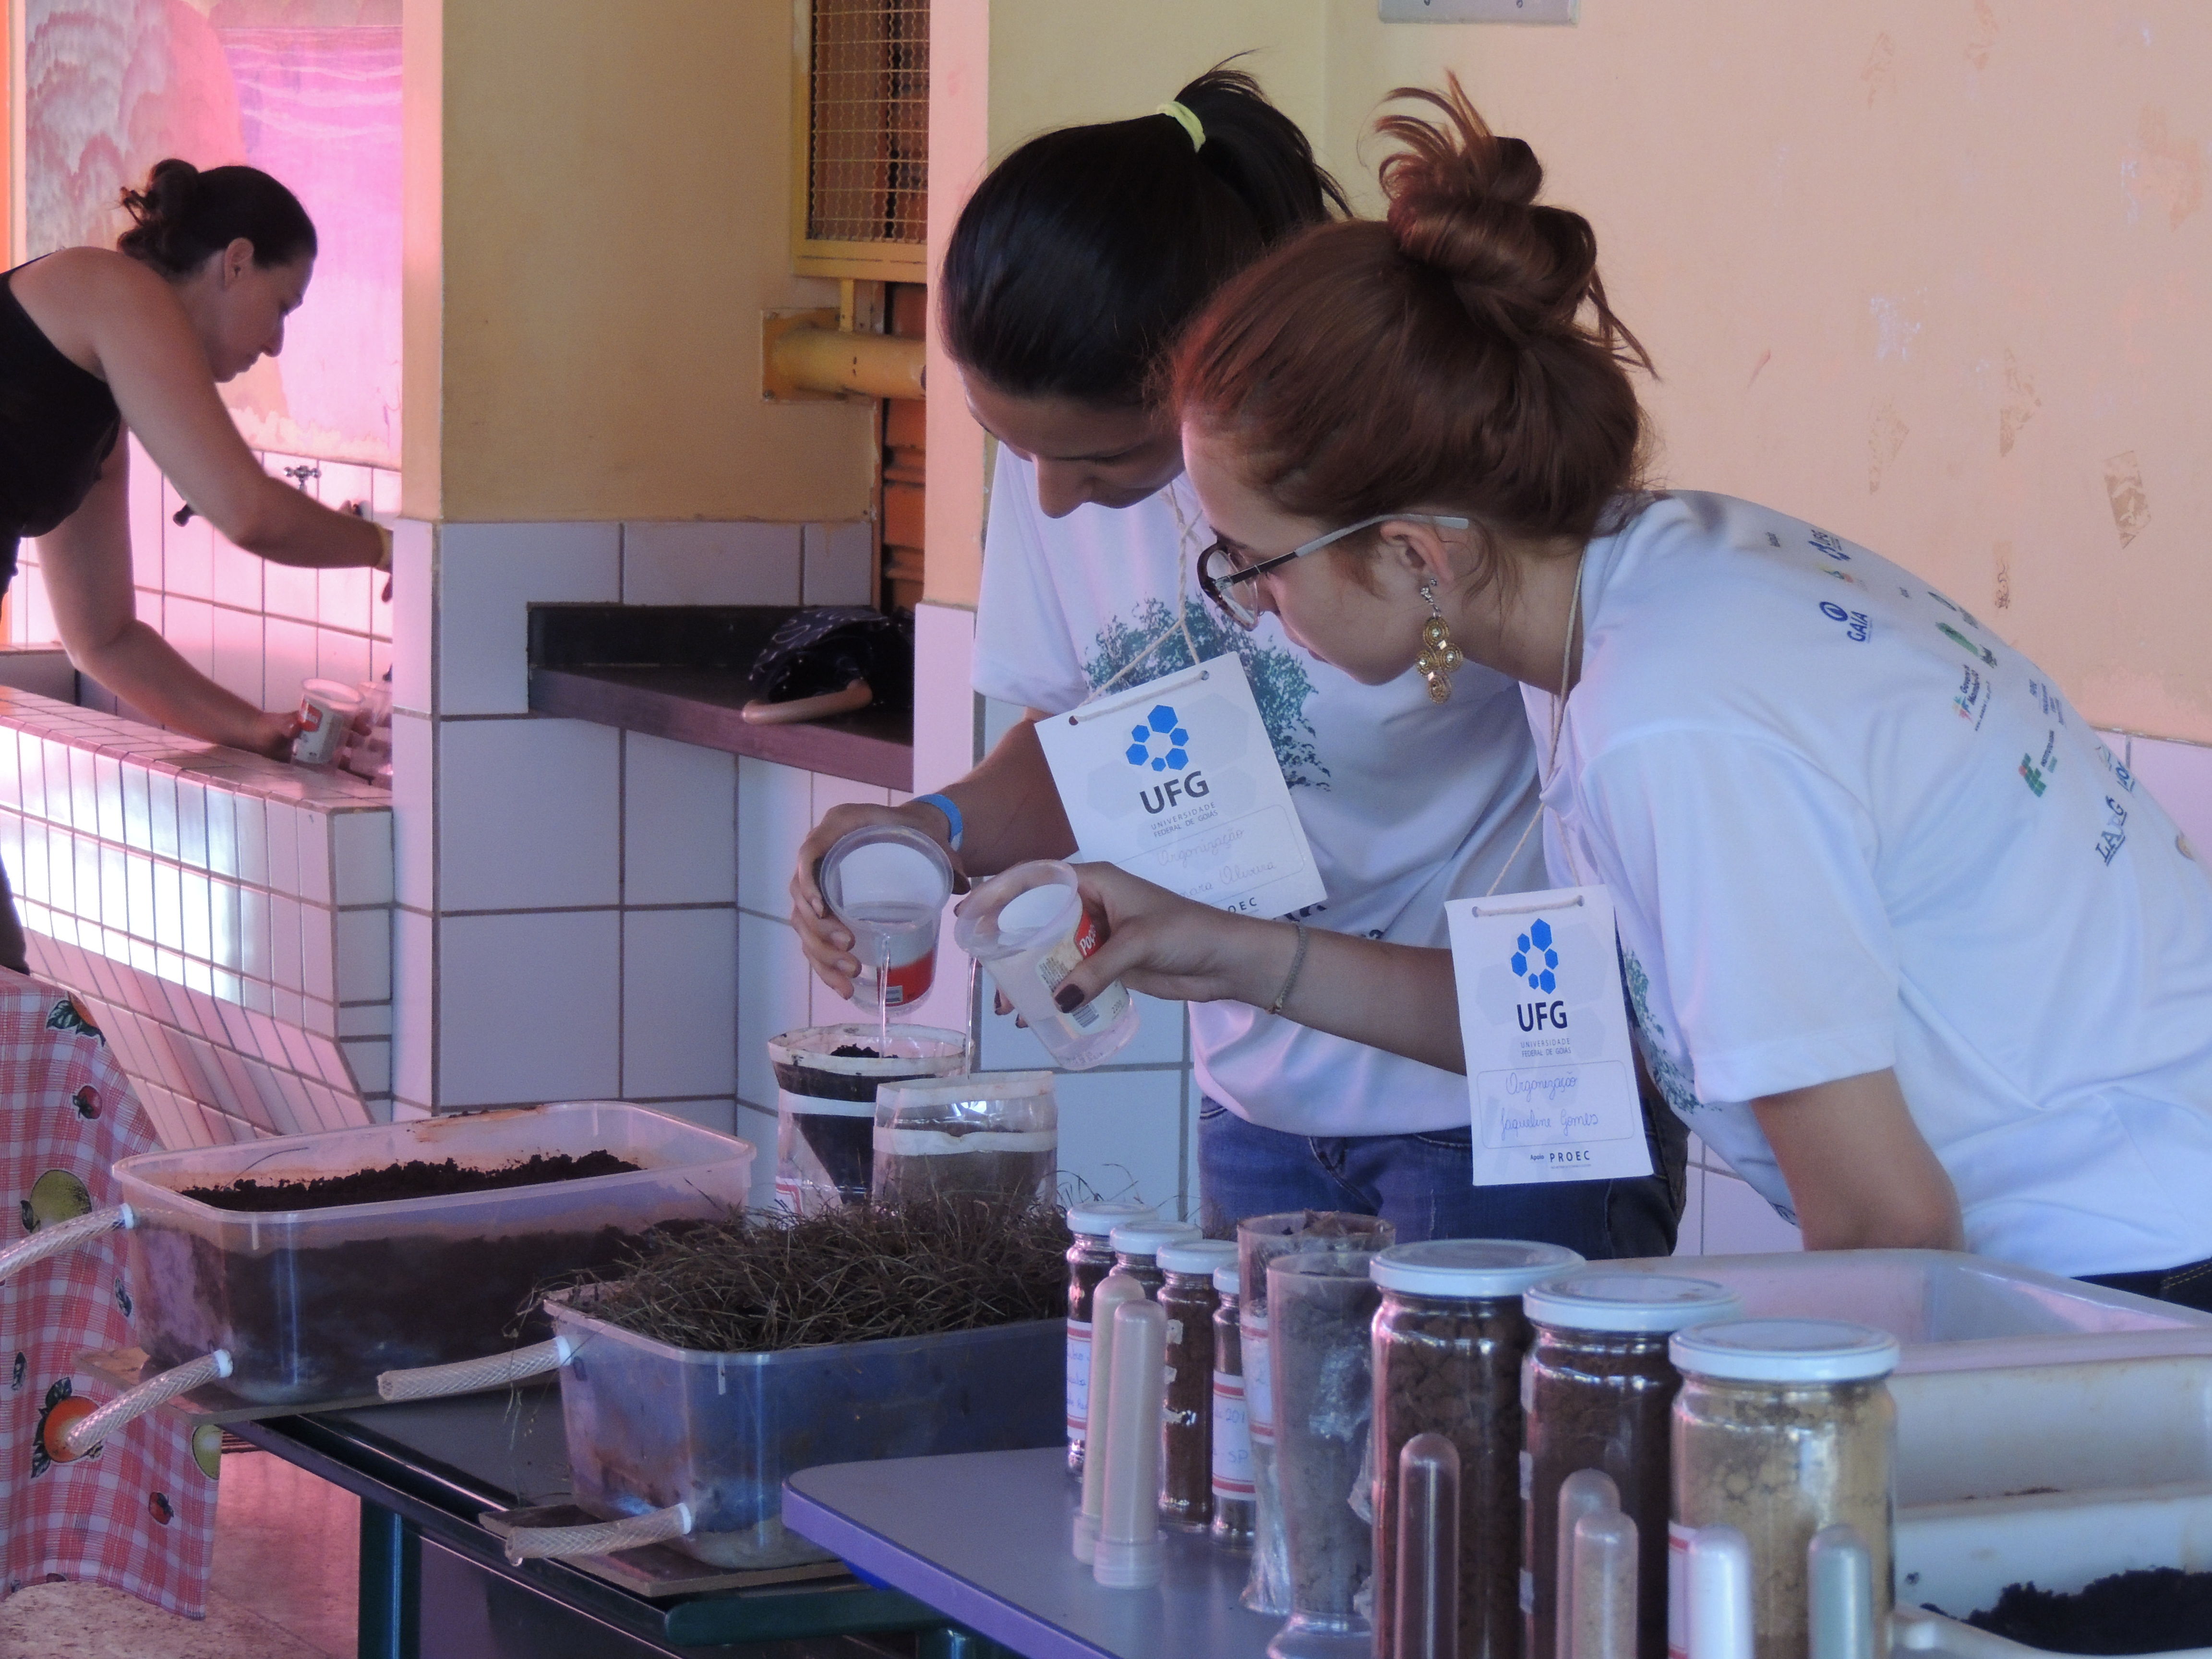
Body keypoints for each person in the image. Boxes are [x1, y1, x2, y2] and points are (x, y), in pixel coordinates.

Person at [1045, 79, 2212, 1302]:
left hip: (2139, 1269)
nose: (1248, 603)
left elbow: (1886, 1221)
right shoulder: (1643, 586)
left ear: (1412, 556)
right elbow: (1598, 1019)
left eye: (1257, 564)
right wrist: (1227, 952)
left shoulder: (1671, 713)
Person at [788, 68, 1683, 1253]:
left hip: (1505, 1104)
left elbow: (1624, 965)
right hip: (1259, 1104)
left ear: (1212, 385)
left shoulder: (1441, 490)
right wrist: (925, 832)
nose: (1056, 502)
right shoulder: (1066, 478)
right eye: (1010, 447)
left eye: (1107, 458)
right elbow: (1091, 747)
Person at [0, 158, 389, 972]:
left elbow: (102, 637)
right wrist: (398, 548)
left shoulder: (93, 416)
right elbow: (246, 511)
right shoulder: (109, 288)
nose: (278, 342)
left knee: (11, 991)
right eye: (281, 307)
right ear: (235, 260)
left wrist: (257, 731)